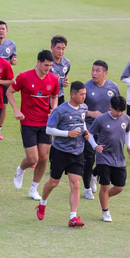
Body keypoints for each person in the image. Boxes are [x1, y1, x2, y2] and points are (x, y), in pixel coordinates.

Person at [7, 50, 59, 200]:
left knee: (43, 158)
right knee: (32, 159)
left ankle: (33, 189)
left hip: (45, 123)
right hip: (28, 122)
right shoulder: (24, 77)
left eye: (50, 66)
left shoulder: (53, 79)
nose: (48, 68)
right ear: (38, 62)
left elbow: (54, 96)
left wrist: (53, 110)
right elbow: (9, 92)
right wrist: (16, 110)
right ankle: (20, 169)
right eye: (46, 65)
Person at [36, 82, 89, 227]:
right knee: (54, 183)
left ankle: (73, 217)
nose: (84, 96)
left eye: (85, 93)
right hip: (60, 151)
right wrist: (68, 134)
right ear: (73, 95)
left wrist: (85, 131)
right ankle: (42, 203)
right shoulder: (60, 110)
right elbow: (49, 130)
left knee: (75, 184)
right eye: (82, 94)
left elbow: (82, 121)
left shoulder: (84, 107)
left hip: (78, 151)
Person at [88, 95, 130, 222]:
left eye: (122, 111)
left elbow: (127, 131)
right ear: (110, 107)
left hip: (119, 158)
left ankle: (104, 198)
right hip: (103, 157)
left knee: (119, 187)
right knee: (105, 186)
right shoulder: (101, 119)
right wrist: (95, 146)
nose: (119, 114)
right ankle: (105, 211)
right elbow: (90, 134)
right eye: (117, 111)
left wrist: (128, 146)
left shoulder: (126, 118)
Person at [83, 60, 121, 200]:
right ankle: (87, 188)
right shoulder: (86, 87)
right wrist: (90, 113)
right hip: (89, 130)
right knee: (89, 159)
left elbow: (119, 106)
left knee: (105, 159)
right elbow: (76, 108)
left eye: (97, 70)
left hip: (107, 131)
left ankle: (93, 175)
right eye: (93, 70)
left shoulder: (113, 87)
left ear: (105, 73)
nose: (94, 73)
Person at [0, 21, 18, 139]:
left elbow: (14, 56)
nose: (1, 31)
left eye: (3, 29)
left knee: (4, 105)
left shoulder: (11, 44)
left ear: (6, 31)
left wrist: (14, 60)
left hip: (3, 79)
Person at [50, 35, 70, 106]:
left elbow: (65, 77)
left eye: (63, 49)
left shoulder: (67, 63)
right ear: (52, 48)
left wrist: (65, 82)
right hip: (46, 98)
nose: (61, 52)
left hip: (60, 96)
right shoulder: (45, 62)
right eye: (58, 48)